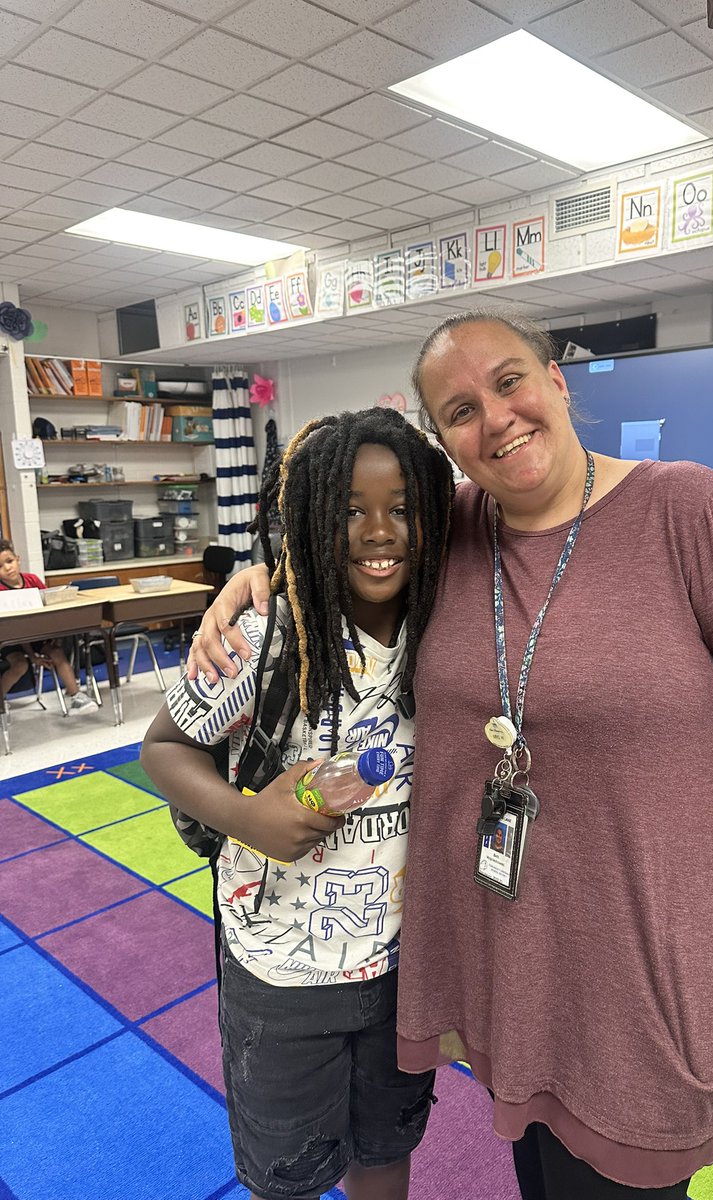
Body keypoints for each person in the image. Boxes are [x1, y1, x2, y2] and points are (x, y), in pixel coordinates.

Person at [188, 311, 713, 1200]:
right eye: (459, 410)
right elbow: (341, 543)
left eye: (508, 383)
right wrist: (255, 575)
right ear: (444, 441)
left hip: (645, 964)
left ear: (558, 384)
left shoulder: (688, 512)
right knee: (542, 1173)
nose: (494, 419)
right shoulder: (447, 535)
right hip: (512, 963)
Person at [141, 407, 454, 1200]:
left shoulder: (447, 632)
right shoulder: (264, 633)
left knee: (386, 1143)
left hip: (401, 967)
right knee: (288, 1173)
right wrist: (247, 817)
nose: (379, 531)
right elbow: (164, 746)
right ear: (309, 518)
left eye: (402, 509)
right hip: (278, 973)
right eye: (350, 509)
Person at [0, 538, 98, 712]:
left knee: (57, 653)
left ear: (18, 559)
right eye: (0, 566)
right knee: (20, 665)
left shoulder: (32, 580)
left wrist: (55, 638)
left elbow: (49, 607)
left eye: (10, 561)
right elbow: (15, 626)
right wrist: (32, 656)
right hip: (11, 638)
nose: (7, 568)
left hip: (37, 634)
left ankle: (76, 696)